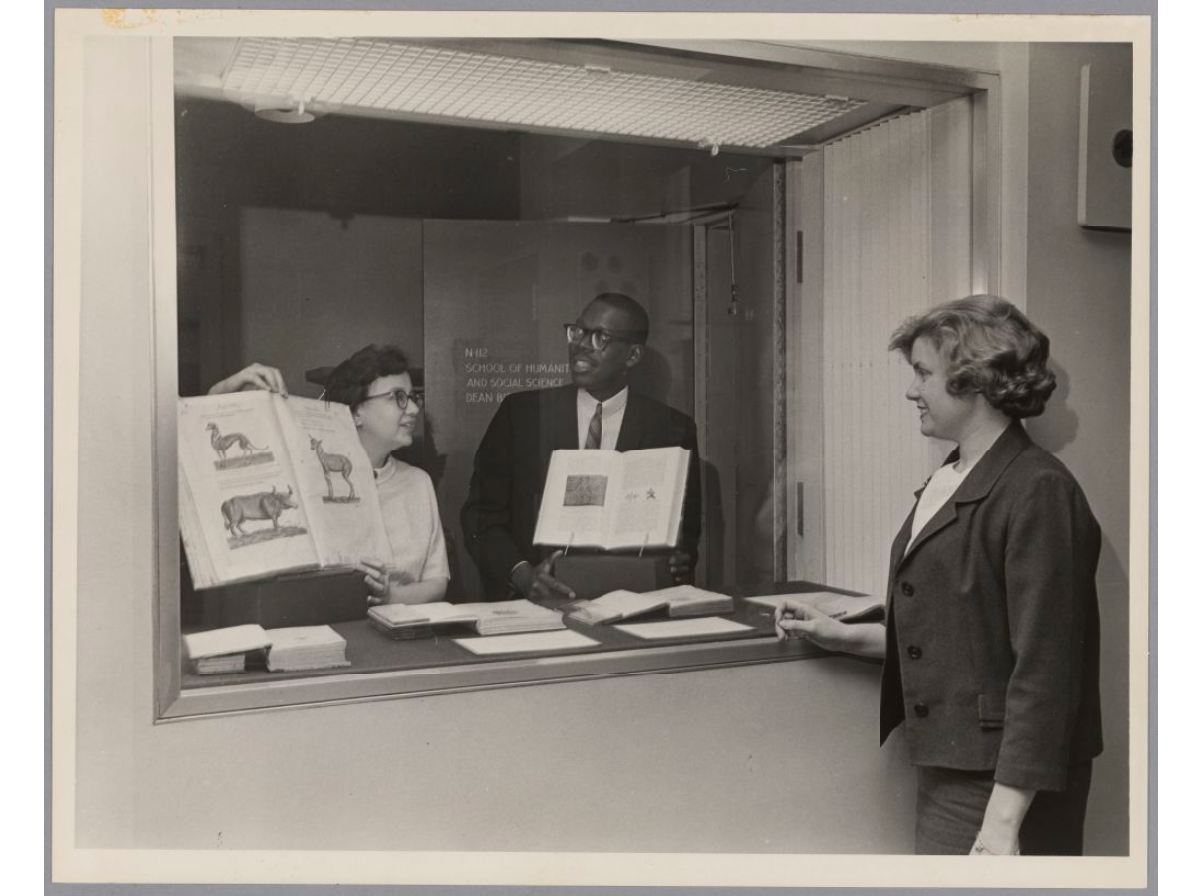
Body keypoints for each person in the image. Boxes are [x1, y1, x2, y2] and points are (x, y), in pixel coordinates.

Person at [775, 295, 1102, 856]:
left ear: (973, 380)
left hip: (1004, 782)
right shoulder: (956, 474)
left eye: (923, 373)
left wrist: (1002, 823)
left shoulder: (1038, 489)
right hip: (956, 767)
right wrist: (844, 634)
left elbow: (1047, 671)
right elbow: (959, 638)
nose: (911, 390)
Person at [461, 293, 702, 603]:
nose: (581, 344)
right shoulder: (521, 416)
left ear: (632, 355)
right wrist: (523, 575)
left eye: (601, 337)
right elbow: (480, 516)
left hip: (632, 607)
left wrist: (679, 560)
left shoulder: (671, 428)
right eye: (578, 331)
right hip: (534, 610)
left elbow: (688, 531)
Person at [210, 346, 449, 606]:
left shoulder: (418, 483)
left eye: (413, 397)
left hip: (401, 635)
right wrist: (223, 392)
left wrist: (391, 596)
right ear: (356, 412)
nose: (414, 409)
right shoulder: (304, 483)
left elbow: (436, 582)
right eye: (398, 397)